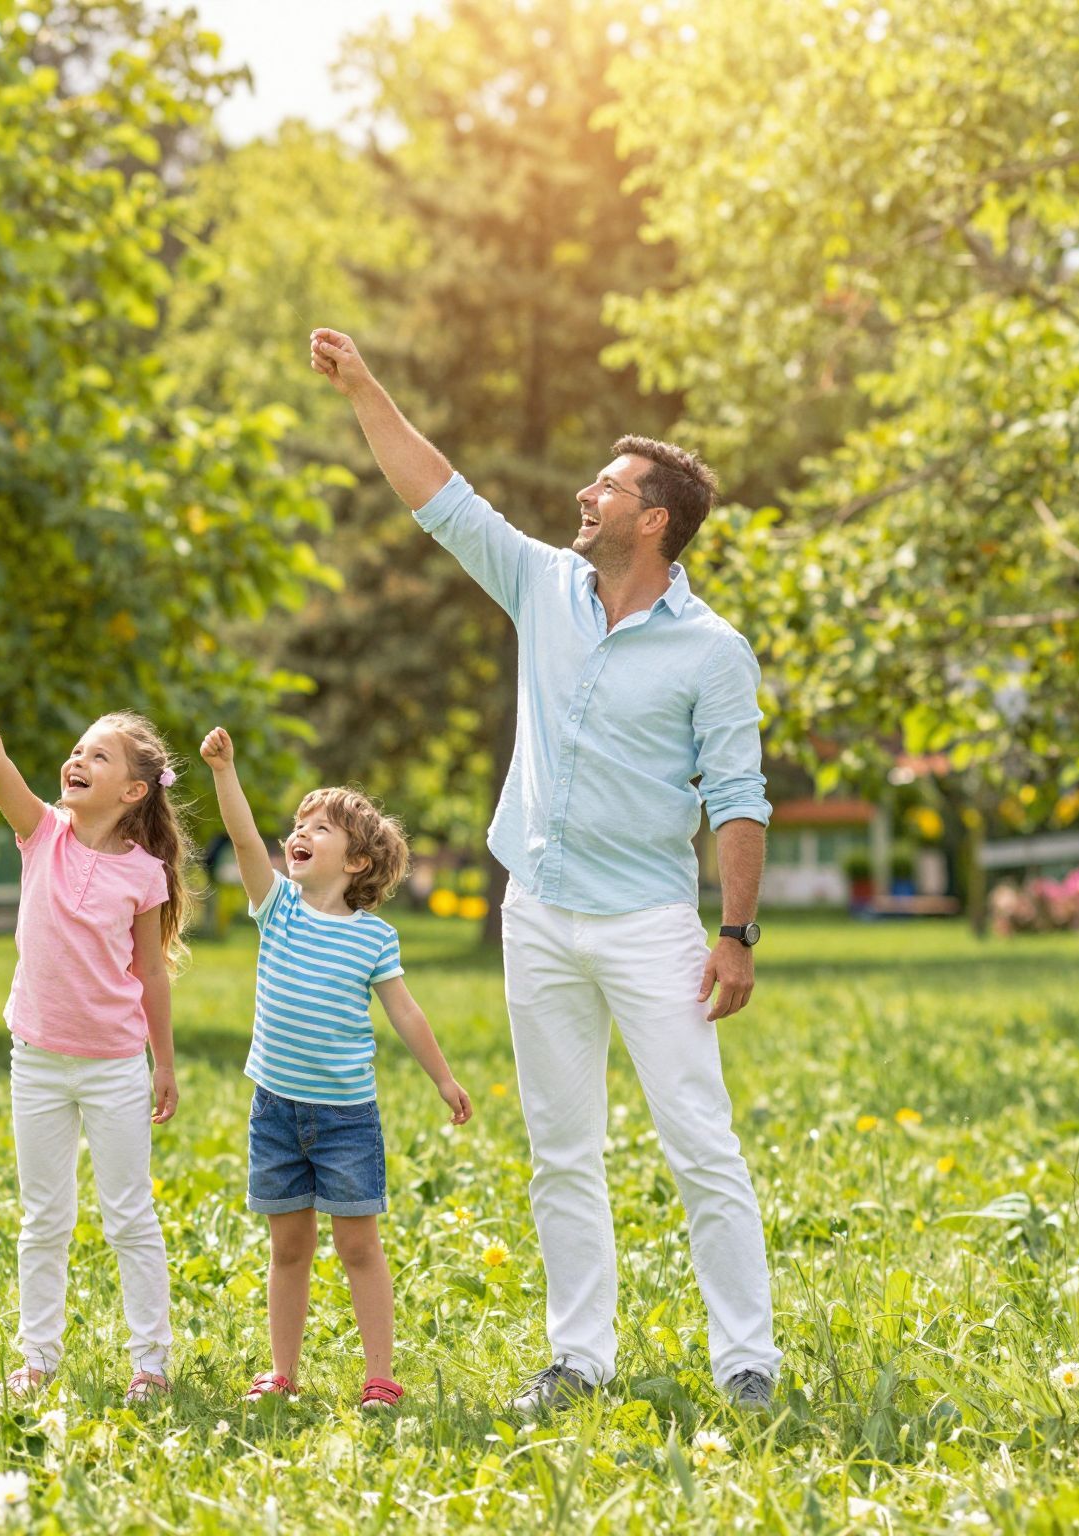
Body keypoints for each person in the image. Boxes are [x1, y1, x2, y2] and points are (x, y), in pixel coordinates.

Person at [310, 327, 783, 1414]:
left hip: (649, 927)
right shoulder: (542, 587)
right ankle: (578, 1359)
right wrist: (367, 389)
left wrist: (737, 933)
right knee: (560, 1152)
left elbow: (739, 800)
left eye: (606, 486)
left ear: (652, 518)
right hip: (537, 915)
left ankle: (744, 1362)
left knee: (697, 1143)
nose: (583, 495)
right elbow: (442, 498)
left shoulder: (709, 650)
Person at [0, 650, 190, 1405]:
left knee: (128, 1215)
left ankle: (152, 1362)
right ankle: (37, 1357)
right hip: (36, 1060)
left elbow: (151, 975)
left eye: (96, 755)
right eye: (77, 750)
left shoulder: (144, 873)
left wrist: (161, 1064)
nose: (76, 758)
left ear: (132, 790)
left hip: (113, 1067)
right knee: (44, 1217)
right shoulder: (40, 833)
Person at [199, 726, 474, 1412]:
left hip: (347, 1119)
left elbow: (406, 1015)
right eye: (298, 824)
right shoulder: (277, 908)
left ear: (356, 862)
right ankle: (282, 1370)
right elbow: (239, 839)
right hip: (276, 1111)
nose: (301, 832)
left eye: (319, 828)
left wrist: (442, 1078)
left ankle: (379, 1374)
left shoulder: (374, 938)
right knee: (287, 1247)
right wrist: (225, 770)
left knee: (358, 1247)